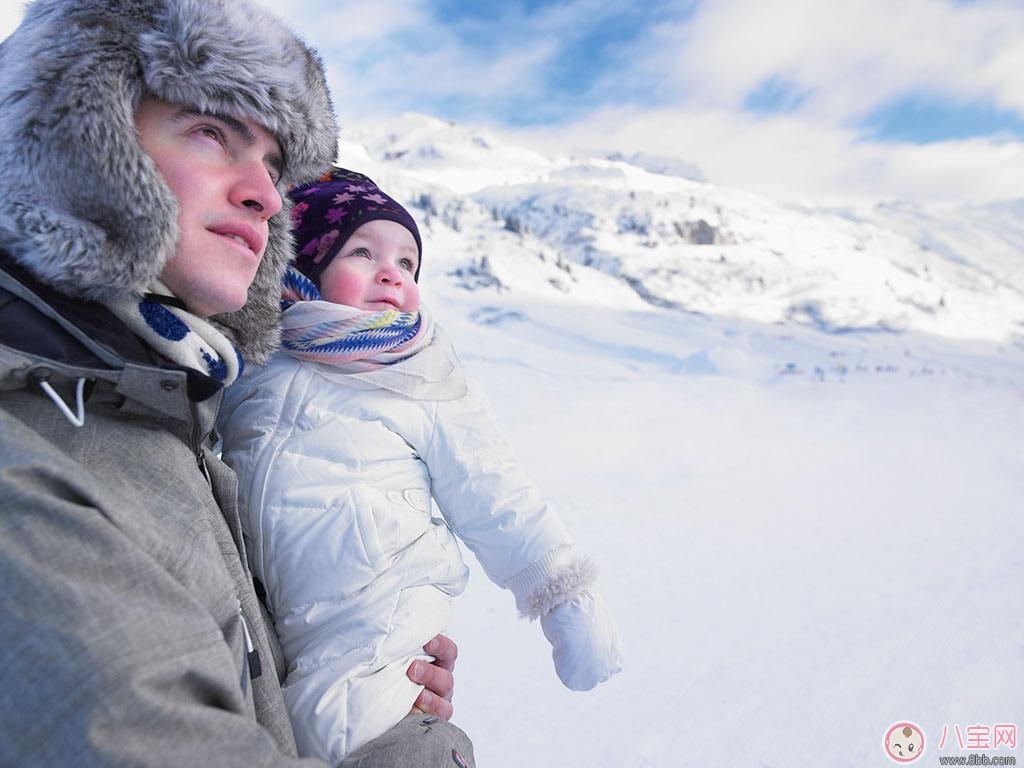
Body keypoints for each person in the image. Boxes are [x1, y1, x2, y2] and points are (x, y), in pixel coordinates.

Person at [0, 1, 471, 765]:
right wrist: (416, 752)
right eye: (212, 132)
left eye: (275, 164)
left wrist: (345, 674)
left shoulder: (161, 416)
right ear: (74, 142)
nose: (267, 195)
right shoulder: (31, 463)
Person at [217, 167, 624, 765]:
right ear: (302, 268)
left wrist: (564, 593)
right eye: (362, 252)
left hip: (379, 608)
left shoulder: (420, 370)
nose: (392, 273)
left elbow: (493, 489)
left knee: (332, 735)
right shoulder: (252, 361)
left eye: (407, 263)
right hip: (278, 611)